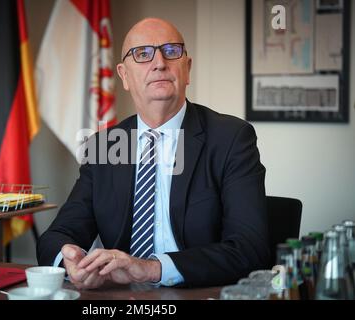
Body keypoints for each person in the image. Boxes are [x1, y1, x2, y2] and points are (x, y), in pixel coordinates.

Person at [37, 18, 269, 289]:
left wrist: (150, 269)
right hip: (121, 299)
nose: (159, 63)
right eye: (143, 54)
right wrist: (71, 261)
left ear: (187, 68)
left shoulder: (230, 138)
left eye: (171, 51)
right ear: (124, 75)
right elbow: (57, 236)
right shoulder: (105, 147)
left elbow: (249, 250)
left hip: (197, 293)